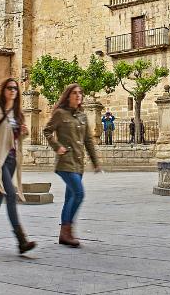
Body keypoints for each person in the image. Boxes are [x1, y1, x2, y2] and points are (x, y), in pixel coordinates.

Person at [0, 78, 36, 254]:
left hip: (12, 160)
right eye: (9, 88)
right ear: (3, 90)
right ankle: (21, 240)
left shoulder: (18, 114)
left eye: (15, 89)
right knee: (10, 194)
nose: (12, 91)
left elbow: (15, 138)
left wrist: (24, 133)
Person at [43, 83, 101, 247]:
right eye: (74, 93)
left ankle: (65, 234)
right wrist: (57, 146)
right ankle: (67, 230)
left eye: (80, 93)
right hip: (65, 162)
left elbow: (88, 140)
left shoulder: (82, 116)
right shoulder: (60, 114)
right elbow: (47, 130)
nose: (78, 95)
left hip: (78, 162)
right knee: (79, 193)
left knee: (70, 197)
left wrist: (95, 162)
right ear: (68, 96)